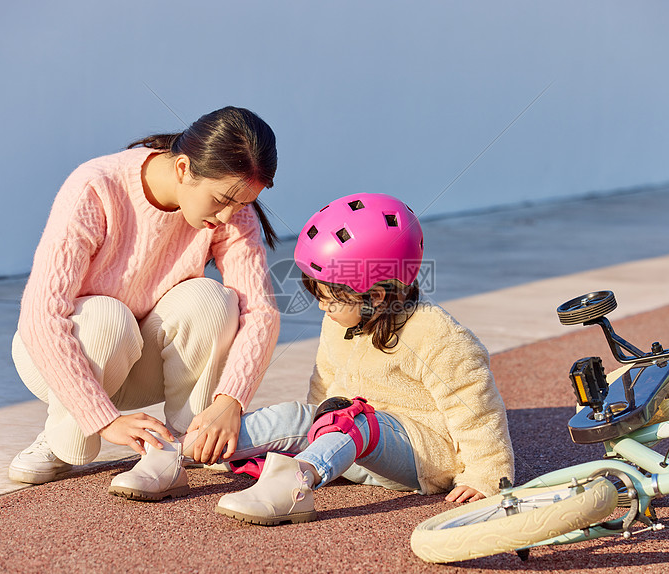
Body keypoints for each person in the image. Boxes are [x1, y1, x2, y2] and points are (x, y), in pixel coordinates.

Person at [8, 106, 281, 501]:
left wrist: (230, 402)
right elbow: (41, 316)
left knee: (212, 301)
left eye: (241, 204)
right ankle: (64, 436)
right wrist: (102, 420)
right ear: (184, 168)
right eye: (222, 199)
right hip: (63, 355)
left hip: (136, 360)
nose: (229, 216)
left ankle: (185, 445)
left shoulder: (233, 212)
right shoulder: (96, 187)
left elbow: (260, 312)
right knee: (108, 318)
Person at [211, 192, 514, 525]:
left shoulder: (436, 333)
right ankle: (184, 450)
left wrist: (486, 475)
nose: (322, 307)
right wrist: (315, 435)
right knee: (295, 415)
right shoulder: (341, 320)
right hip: (354, 442)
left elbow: (475, 408)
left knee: (353, 419)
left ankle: (293, 484)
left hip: (422, 456)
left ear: (377, 296)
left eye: (330, 299)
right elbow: (324, 381)